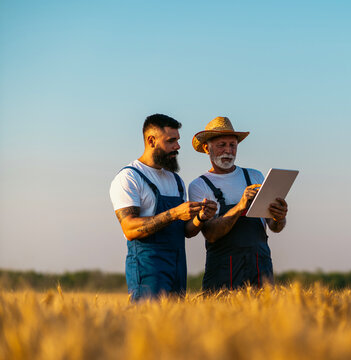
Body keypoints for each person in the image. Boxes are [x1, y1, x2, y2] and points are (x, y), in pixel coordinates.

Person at [109, 114, 217, 301]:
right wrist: (175, 213)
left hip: (178, 267)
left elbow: (186, 231)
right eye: (171, 141)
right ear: (151, 140)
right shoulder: (129, 178)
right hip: (148, 270)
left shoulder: (176, 180)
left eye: (177, 140)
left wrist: (201, 217)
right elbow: (129, 228)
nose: (178, 146)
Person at [188, 116, 288, 291]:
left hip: (260, 264)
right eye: (222, 145)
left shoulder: (255, 176)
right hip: (223, 269)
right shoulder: (199, 185)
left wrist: (280, 217)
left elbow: (274, 226)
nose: (228, 151)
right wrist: (240, 206)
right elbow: (210, 234)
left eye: (232, 145)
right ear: (206, 148)